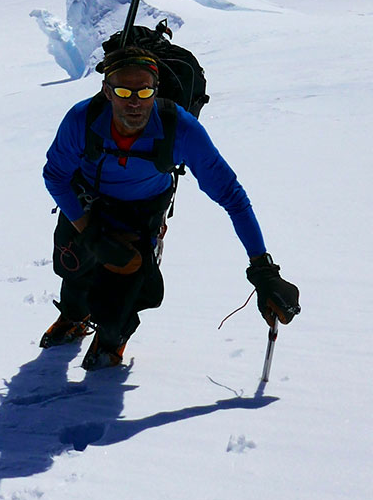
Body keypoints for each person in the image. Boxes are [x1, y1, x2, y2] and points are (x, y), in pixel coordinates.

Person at [41, 44, 299, 369]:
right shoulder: (82, 119)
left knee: (123, 283)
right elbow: (56, 175)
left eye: (144, 90)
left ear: (156, 89)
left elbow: (231, 194)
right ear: (107, 91)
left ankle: (111, 338)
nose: (134, 101)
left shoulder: (180, 129)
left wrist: (263, 268)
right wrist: (88, 230)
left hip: (140, 211)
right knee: (74, 264)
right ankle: (74, 316)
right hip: (86, 201)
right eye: (123, 90)